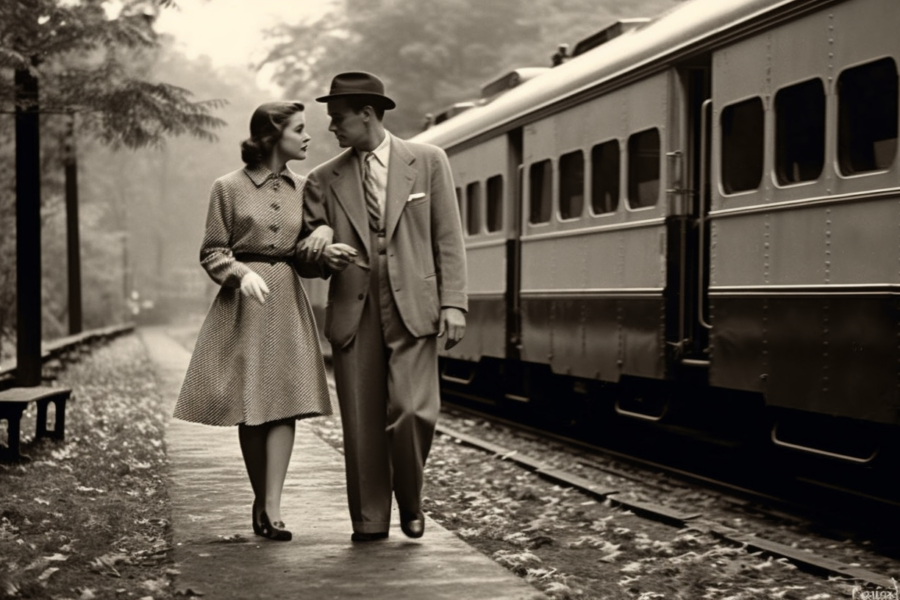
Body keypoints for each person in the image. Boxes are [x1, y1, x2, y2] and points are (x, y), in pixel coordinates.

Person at [299, 72, 467, 542]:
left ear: (367, 114)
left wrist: (454, 303)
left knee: (413, 412)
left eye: (338, 118)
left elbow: (447, 238)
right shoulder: (322, 179)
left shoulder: (429, 161)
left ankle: (411, 502)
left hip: (414, 304)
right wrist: (319, 251)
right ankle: (370, 520)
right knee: (361, 422)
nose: (331, 127)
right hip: (355, 310)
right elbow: (304, 252)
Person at [174, 101, 332, 542]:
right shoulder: (227, 187)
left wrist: (324, 245)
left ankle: (274, 507)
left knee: (286, 400)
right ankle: (260, 499)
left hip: (286, 297)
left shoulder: (307, 187)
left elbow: (306, 255)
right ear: (271, 135)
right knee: (253, 406)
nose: (307, 137)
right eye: (298, 129)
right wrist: (239, 274)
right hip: (243, 303)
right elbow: (212, 251)